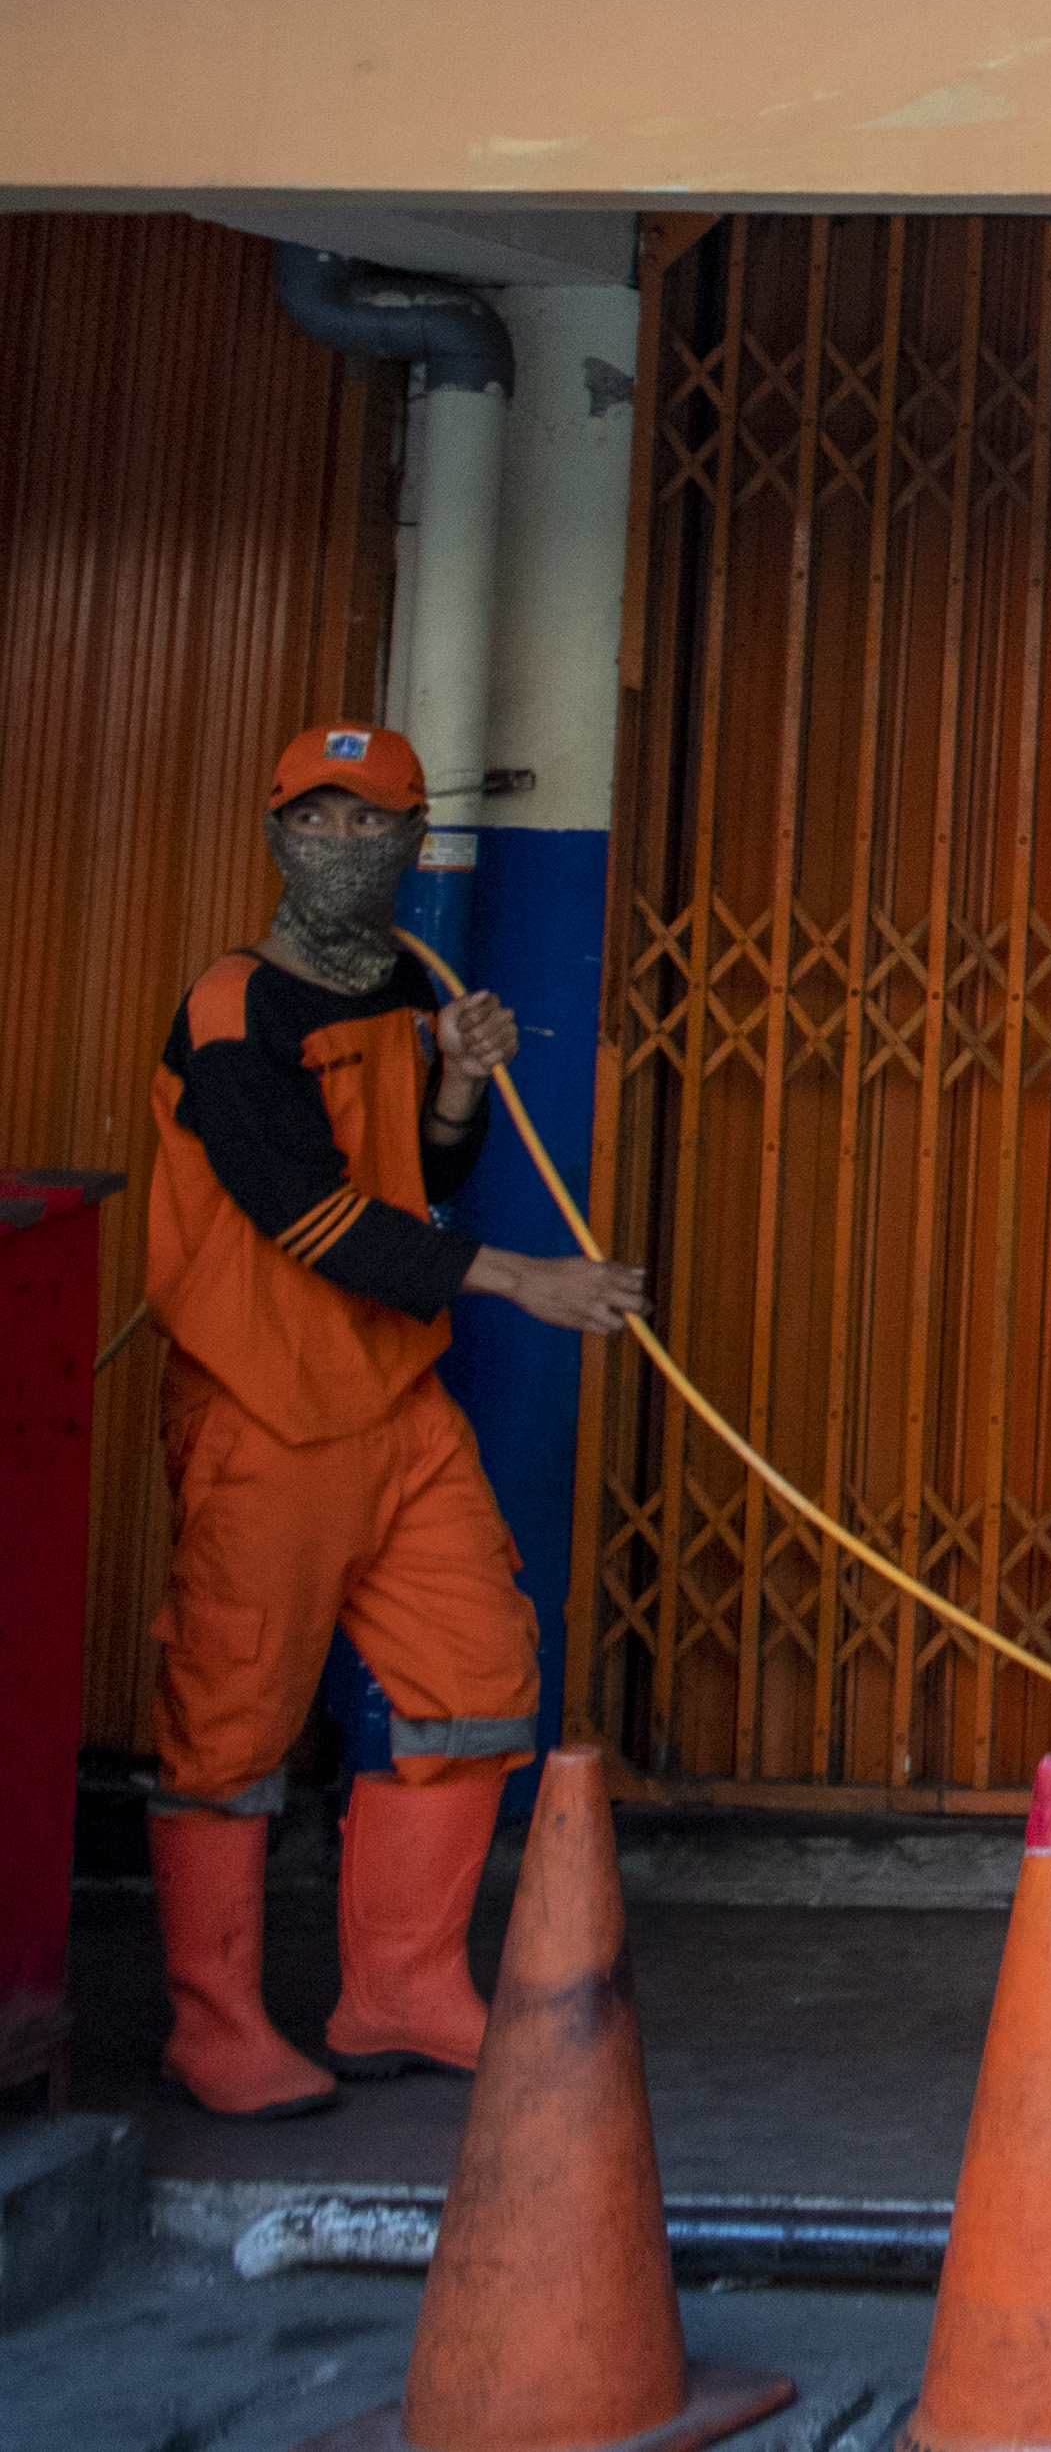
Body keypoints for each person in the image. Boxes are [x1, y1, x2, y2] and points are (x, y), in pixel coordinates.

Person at [137, 723, 647, 2120]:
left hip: (392, 1398)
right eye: (318, 819)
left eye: (371, 824)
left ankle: (403, 1985)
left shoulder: (397, 994)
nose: (343, 846)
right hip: (266, 1410)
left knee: (479, 1665)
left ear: (415, 841)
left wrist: (460, 1077)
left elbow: (419, 1169)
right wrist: (518, 1277)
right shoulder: (235, 1008)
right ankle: (217, 2020)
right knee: (229, 1723)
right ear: (275, 834)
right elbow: (307, 1211)